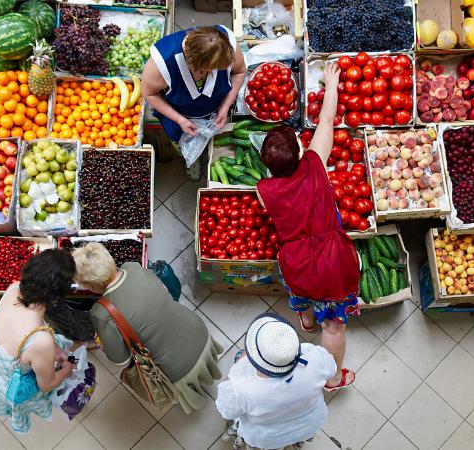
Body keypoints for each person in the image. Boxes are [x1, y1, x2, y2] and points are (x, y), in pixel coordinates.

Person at [255, 63, 359, 392]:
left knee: (301, 294)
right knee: (334, 327)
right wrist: (331, 83)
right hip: (333, 262)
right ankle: (333, 378)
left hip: (296, 263)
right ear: (300, 151)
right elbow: (326, 120)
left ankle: (307, 319)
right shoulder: (314, 163)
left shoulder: (264, 189)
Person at [71, 242, 223, 413]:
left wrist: (104, 343)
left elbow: (121, 360)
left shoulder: (101, 312)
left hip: (177, 367)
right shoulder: (133, 267)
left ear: (90, 286)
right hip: (198, 329)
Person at [0, 250, 77, 433]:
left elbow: (23, 335)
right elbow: (46, 385)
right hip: (16, 385)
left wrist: (53, 348)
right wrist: (67, 369)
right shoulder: (41, 341)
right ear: (56, 298)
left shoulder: (13, 289)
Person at [215, 313, 337, 449]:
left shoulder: (240, 389)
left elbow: (227, 411)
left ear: (253, 359)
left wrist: (239, 364)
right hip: (309, 424)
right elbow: (332, 369)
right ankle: (299, 442)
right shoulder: (314, 354)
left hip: (267, 437)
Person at [142, 25, 246, 179]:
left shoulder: (228, 44)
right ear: (193, 64)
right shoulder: (162, 62)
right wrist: (180, 120)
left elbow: (239, 72)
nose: (212, 73)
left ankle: (206, 150)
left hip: (216, 110)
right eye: (209, 70)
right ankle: (190, 159)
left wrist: (225, 106)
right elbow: (149, 93)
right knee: (182, 144)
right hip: (179, 118)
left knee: (213, 138)